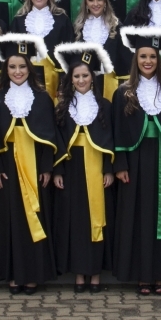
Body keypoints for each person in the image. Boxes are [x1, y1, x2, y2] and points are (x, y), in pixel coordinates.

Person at [0, 34, 61, 293]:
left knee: (36, 216)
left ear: (30, 68)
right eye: (12, 67)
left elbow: (49, 136)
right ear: (5, 70)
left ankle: (34, 274)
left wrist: (47, 166)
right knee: (10, 219)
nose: (17, 71)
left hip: (35, 165)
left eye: (22, 66)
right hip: (8, 165)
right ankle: (14, 274)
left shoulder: (42, 98)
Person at [110, 26, 161, 295]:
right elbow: (117, 130)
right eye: (143, 56)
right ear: (136, 59)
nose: (148, 61)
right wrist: (120, 164)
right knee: (138, 216)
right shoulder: (123, 91)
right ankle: (142, 274)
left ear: (159, 59)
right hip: (135, 161)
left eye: (152, 56)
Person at [51, 43, 115, 291]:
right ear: (70, 79)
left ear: (92, 77)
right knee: (75, 221)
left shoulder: (105, 106)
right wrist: (58, 170)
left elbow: (111, 139)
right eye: (76, 76)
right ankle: (79, 273)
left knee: (97, 219)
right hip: (72, 168)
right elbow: (57, 141)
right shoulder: (62, 106)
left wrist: (109, 169)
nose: (81, 80)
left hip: (97, 167)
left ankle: (95, 273)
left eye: (85, 76)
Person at [11, 0, 73, 95]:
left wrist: (64, 84)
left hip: (56, 83)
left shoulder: (62, 20)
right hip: (25, 81)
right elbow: (13, 54)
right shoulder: (18, 21)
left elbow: (68, 55)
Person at [67, 0, 128, 98]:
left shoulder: (117, 27)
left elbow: (124, 63)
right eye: (91, 0)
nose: (95, 4)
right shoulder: (78, 27)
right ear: (85, 3)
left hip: (109, 87)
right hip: (83, 85)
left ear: (105, 2)